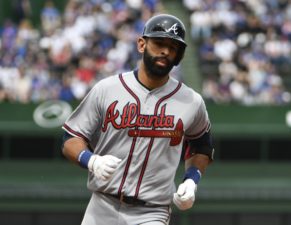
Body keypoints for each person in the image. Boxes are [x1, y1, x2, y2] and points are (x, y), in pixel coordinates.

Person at [61, 14, 214, 225]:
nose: (166, 51)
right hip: (102, 205)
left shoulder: (192, 101)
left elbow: (201, 147)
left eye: (173, 47)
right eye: (159, 43)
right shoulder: (107, 89)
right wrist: (92, 160)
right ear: (142, 44)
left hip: (152, 212)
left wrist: (192, 179)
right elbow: (71, 137)